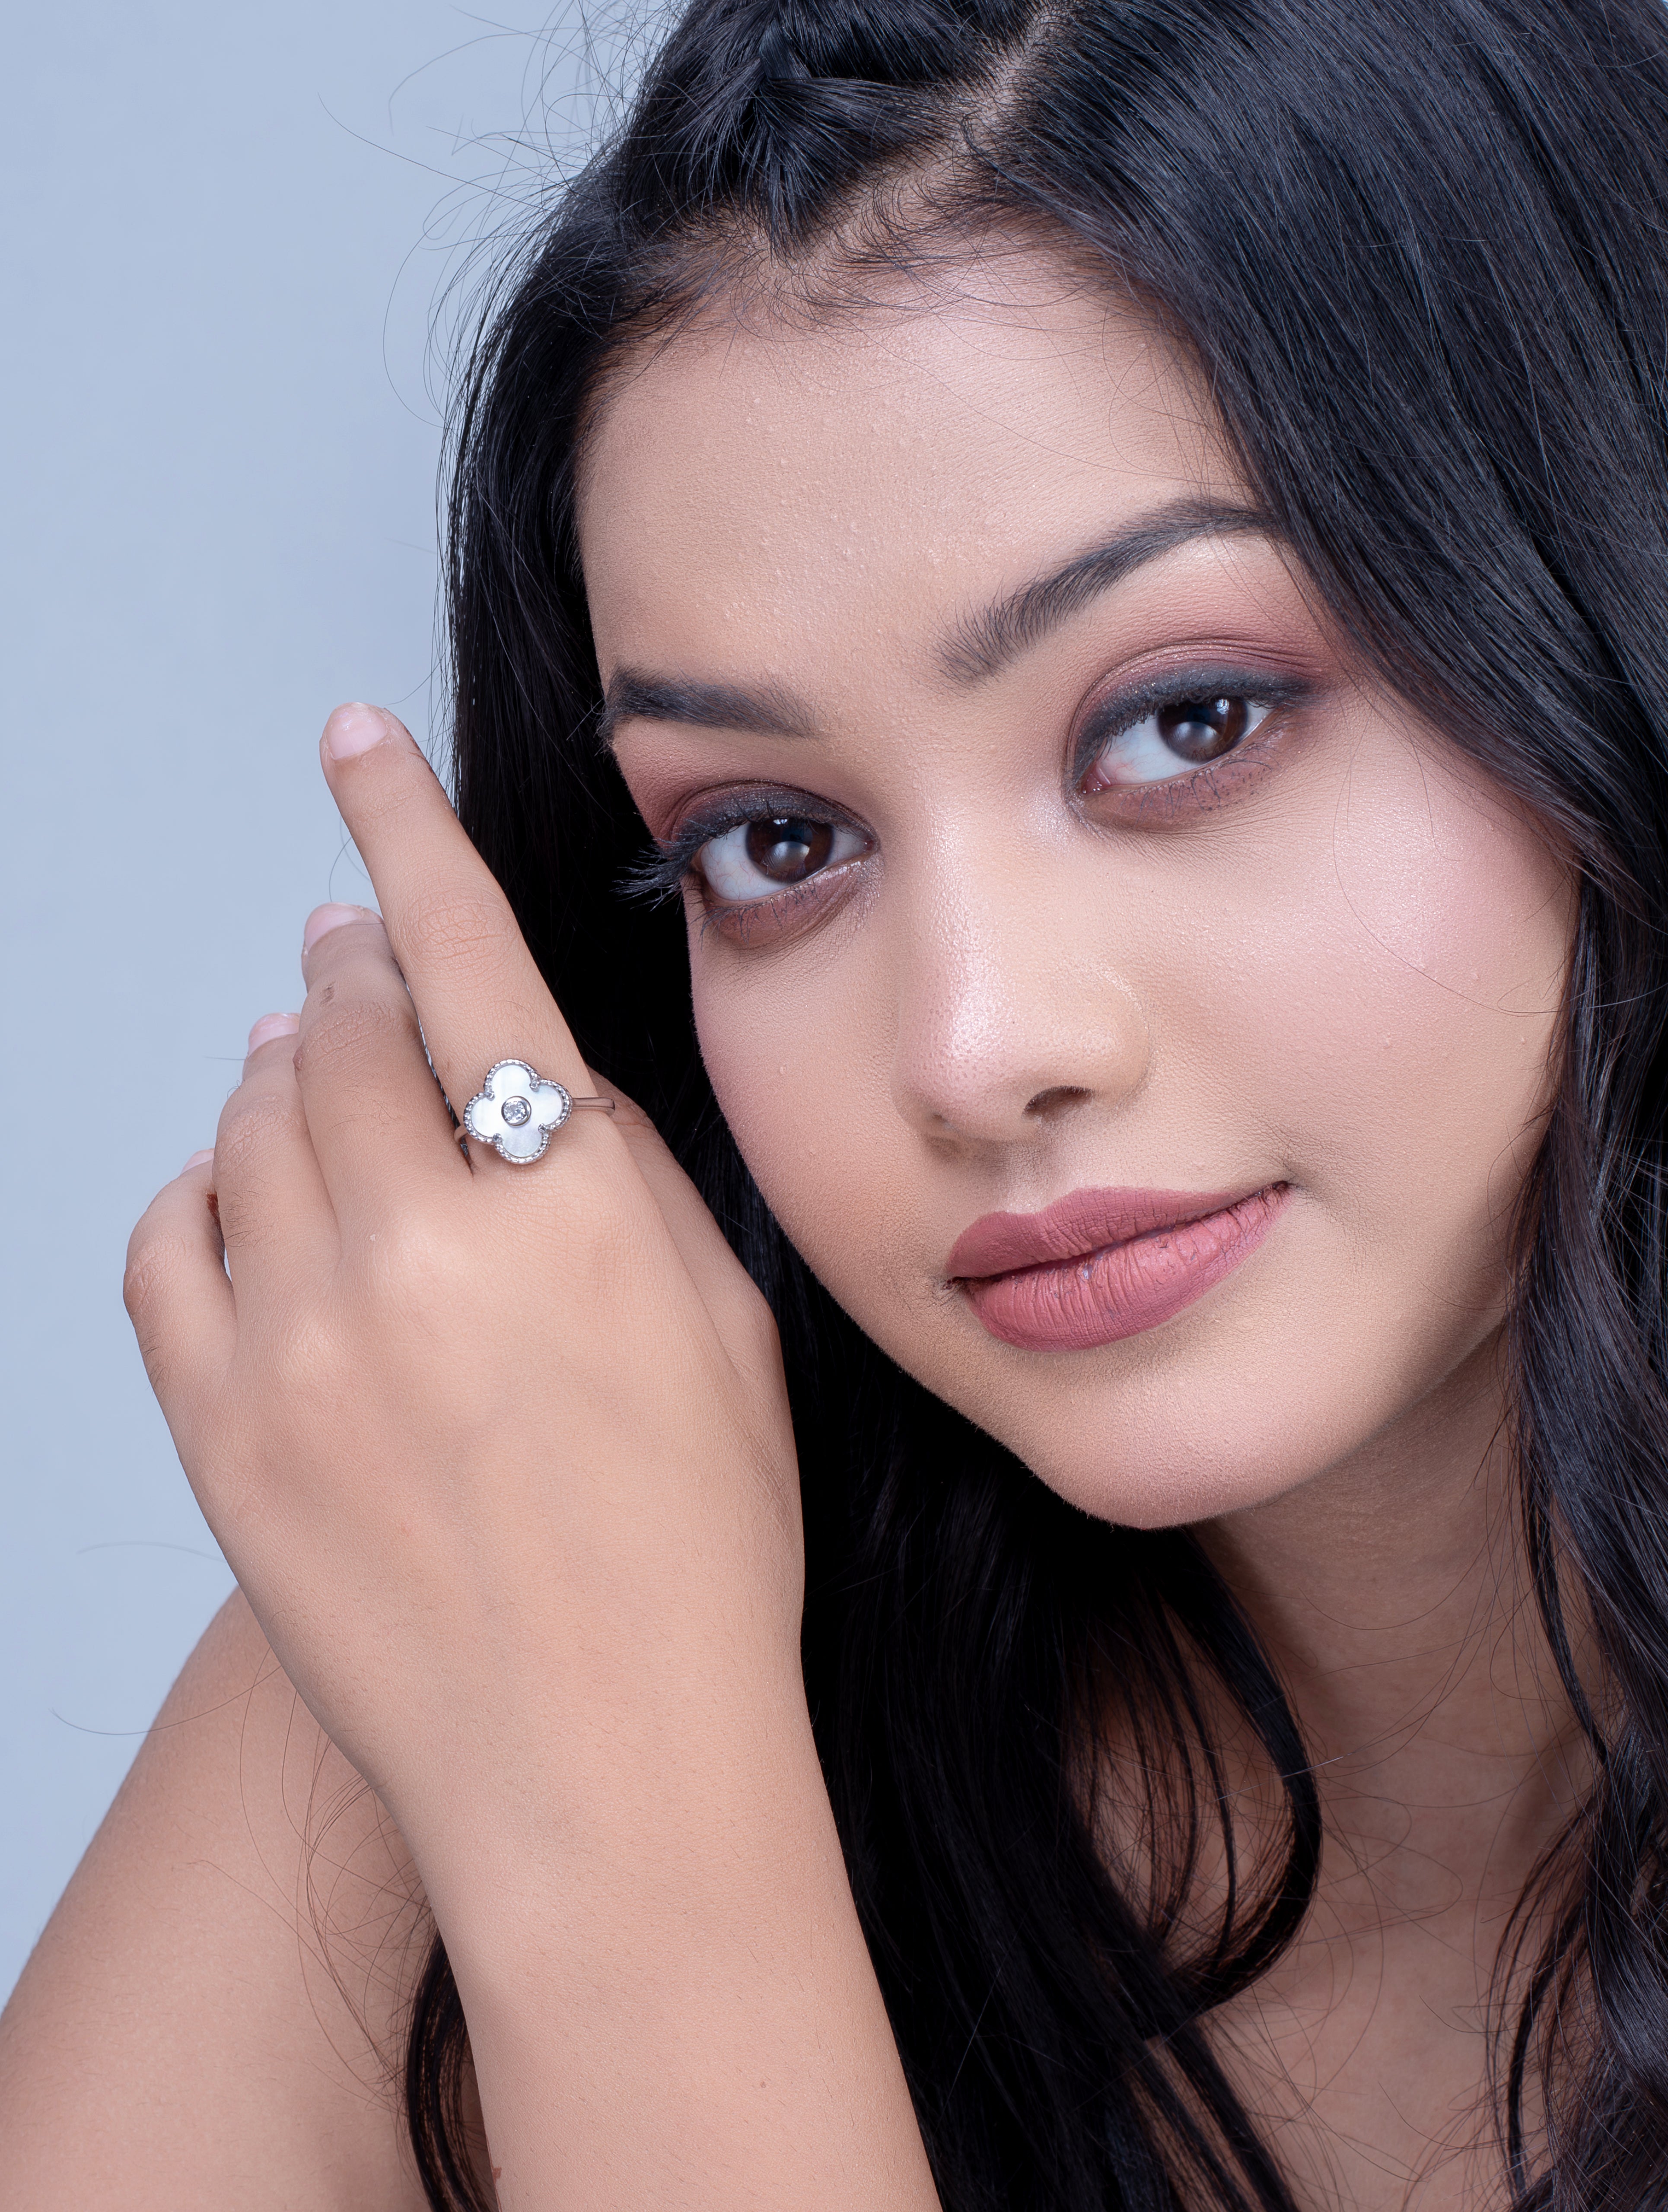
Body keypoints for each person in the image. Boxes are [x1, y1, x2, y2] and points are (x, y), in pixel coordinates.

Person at [6, 0, 1668, 2203]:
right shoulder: (538, 1607)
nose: (974, 1047)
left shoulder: (562, 1678)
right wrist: (618, 1762)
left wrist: (630, 1873)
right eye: (776, 841)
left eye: (1182, 722)